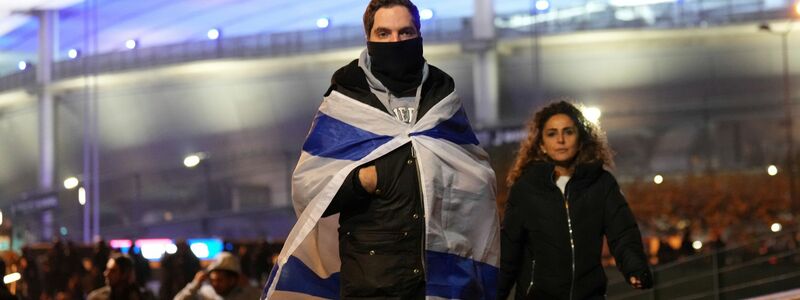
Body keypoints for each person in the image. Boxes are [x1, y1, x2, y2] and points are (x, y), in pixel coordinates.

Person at [262, 0, 499, 298]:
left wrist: (440, 175)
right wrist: (365, 180)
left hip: (440, 280)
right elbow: (308, 190)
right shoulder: (345, 102)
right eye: (384, 34)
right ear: (369, 38)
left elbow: (477, 176)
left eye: (405, 33)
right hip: (372, 280)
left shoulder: (442, 95)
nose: (395, 41)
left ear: (419, 36)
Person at [498, 101, 652, 299]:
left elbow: (622, 233)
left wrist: (635, 269)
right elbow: (510, 249)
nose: (560, 139)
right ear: (542, 145)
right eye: (552, 133)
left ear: (581, 140)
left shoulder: (601, 183)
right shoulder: (525, 188)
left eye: (568, 132)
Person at [174, 252, 260, 300]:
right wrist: (194, 285)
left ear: (232, 280)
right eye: (212, 280)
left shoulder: (246, 295)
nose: (215, 284)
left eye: (220, 280)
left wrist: (249, 287)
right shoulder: (206, 293)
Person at [87, 254, 155, 300]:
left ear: (125, 273)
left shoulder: (143, 297)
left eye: (113, 271)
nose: (106, 274)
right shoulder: (97, 297)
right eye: (107, 269)